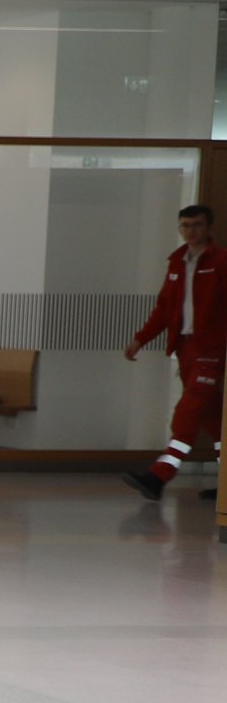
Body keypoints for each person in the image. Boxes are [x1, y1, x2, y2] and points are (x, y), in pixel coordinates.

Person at [125, 203, 223, 501]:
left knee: (188, 411)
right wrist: (140, 339)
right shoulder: (177, 263)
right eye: (185, 225)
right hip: (186, 349)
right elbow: (165, 309)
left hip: (212, 349)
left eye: (196, 224)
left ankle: (159, 475)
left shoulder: (221, 261)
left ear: (208, 228)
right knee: (214, 419)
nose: (190, 231)